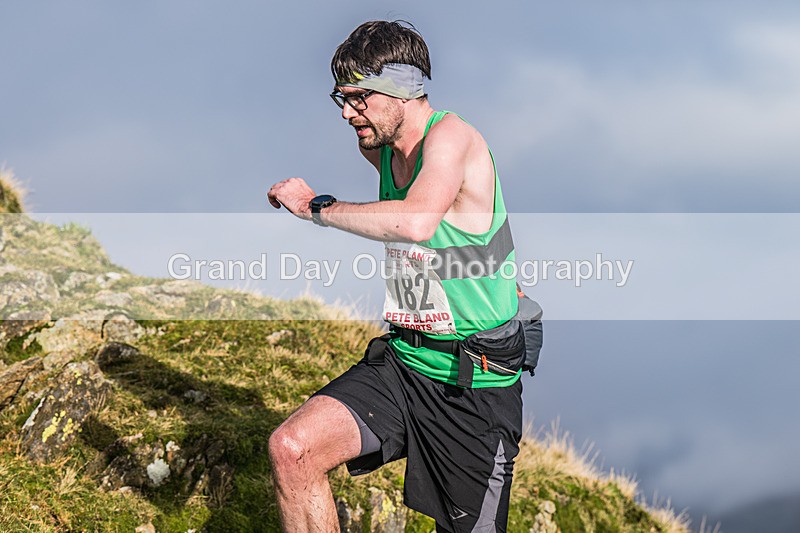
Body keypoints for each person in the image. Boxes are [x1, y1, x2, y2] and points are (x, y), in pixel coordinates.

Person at [267, 20, 523, 533]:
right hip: (404, 362)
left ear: (401, 89)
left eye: (359, 98)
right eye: (339, 97)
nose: (346, 112)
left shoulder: (452, 138)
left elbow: (415, 222)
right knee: (291, 449)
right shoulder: (380, 146)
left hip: (470, 382)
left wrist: (316, 208)